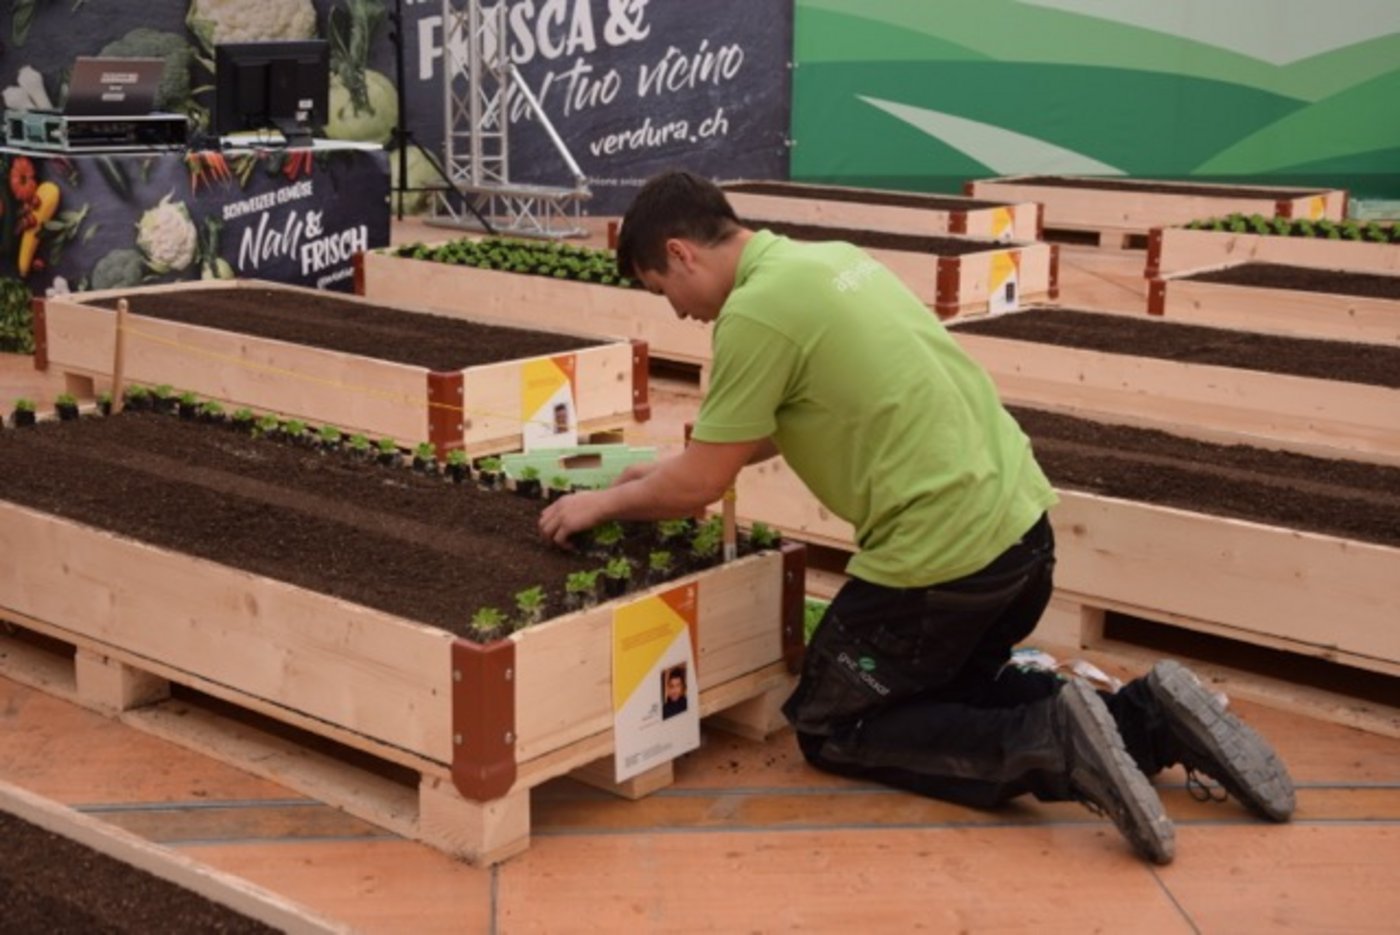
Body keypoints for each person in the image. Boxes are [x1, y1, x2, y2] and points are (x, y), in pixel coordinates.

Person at [539, 170, 1295, 864]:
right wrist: (668, 470)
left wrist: (601, 500)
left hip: (941, 569)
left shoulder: (755, 314)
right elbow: (785, 418)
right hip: (1023, 540)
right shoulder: (828, 261)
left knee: (836, 725)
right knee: (945, 692)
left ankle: (1052, 742)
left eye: (661, 287)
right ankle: (1151, 718)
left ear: (680, 253)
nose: (676, 309)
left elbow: (700, 485)